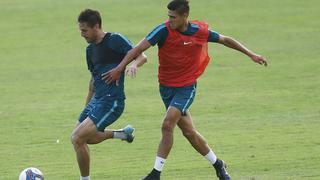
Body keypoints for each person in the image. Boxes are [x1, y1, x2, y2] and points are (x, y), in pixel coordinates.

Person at [103, 0, 267, 179]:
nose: (170, 20)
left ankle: (155, 174)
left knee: (167, 125)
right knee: (189, 132)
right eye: (168, 16)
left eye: (173, 17)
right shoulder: (163, 30)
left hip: (186, 87)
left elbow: (225, 39)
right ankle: (218, 165)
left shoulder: (199, 31)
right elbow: (137, 49)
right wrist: (121, 68)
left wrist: (251, 54)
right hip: (166, 87)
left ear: (184, 16)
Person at [71, 9, 147, 180]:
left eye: (85, 30)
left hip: (112, 101)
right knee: (84, 138)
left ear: (96, 26)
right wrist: (87, 108)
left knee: (77, 138)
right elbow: (93, 81)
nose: (82, 34)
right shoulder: (90, 50)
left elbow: (142, 56)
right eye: (80, 30)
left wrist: (132, 65)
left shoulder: (115, 40)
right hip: (97, 100)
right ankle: (121, 134)